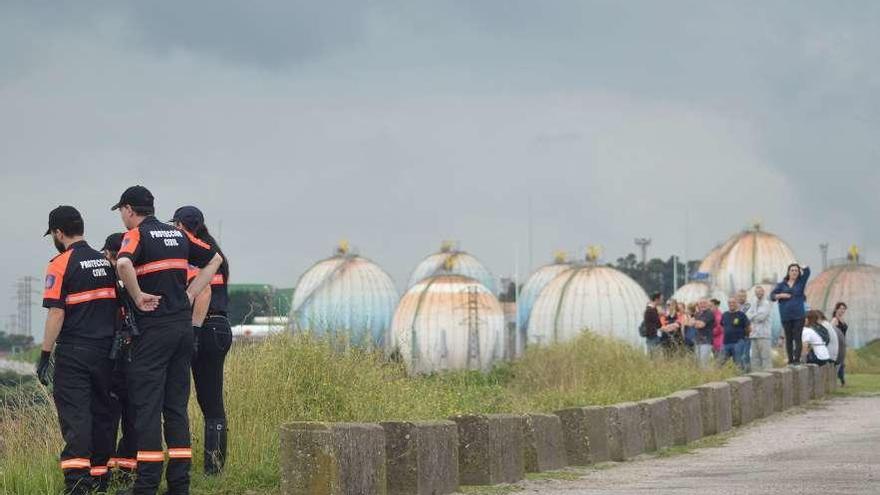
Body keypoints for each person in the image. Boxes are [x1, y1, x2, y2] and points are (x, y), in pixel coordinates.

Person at [112, 185, 223, 495]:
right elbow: (214, 259)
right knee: (175, 408)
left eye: (121, 211)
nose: (122, 217)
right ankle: (179, 485)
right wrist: (190, 292)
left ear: (129, 210)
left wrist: (137, 295)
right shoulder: (178, 235)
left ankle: (146, 485)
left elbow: (122, 264)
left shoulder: (136, 235)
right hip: (181, 330)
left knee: (146, 407)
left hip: (153, 331)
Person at [37, 206, 117, 495]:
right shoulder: (104, 262)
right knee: (102, 415)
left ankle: (78, 485)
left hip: (74, 352)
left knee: (76, 417)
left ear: (58, 233)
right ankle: (100, 479)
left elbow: (56, 314)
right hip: (106, 352)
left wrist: (45, 355)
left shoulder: (60, 264)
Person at [171, 206, 233, 475]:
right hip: (220, 327)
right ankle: (214, 468)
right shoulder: (215, 252)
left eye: (174, 225)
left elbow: (203, 291)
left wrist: (193, 332)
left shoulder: (194, 253)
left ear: (181, 225)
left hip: (203, 327)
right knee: (212, 403)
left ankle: (207, 469)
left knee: (178, 400)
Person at [100, 233, 138, 480]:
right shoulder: (137, 283)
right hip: (134, 358)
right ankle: (125, 469)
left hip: (115, 360)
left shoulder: (113, 285)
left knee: (110, 415)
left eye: (107, 255)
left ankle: (112, 469)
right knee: (132, 416)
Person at [771, 263, 811, 364]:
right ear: (788, 272)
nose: (794, 272)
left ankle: (797, 360)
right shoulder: (781, 285)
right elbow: (772, 296)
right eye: (792, 270)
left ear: (798, 273)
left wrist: (803, 266)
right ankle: (790, 360)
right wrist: (781, 295)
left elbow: (807, 272)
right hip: (786, 316)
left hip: (798, 315)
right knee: (788, 338)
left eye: (796, 270)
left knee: (797, 337)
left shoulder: (800, 283)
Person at [746, 286, 773, 371]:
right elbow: (747, 316)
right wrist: (754, 315)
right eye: (756, 292)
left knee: (765, 357)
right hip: (754, 334)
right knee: (754, 358)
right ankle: (756, 376)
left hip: (764, 335)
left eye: (760, 292)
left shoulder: (766, 303)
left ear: (763, 292)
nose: (758, 294)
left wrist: (753, 315)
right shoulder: (753, 303)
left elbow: (761, 317)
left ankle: (768, 375)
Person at [720, 297, 750, 370]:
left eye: (733, 302)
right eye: (729, 303)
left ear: (737, 304)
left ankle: (742, 379)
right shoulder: (724, 314)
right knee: (720, 363)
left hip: (738, 342)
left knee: (738, 363)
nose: (731, 304)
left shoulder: (741, 314)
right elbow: (722, 326)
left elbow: (748, 328)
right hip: (726, 343)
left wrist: (743, 338)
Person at [693, 299, 716, 368]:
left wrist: (694, 322)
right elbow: (690, 323)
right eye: (701, 303)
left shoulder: (709, 313)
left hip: (706, 341)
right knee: (698, 363)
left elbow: (701, 325)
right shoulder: (697, 314)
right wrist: (696, 323)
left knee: (704, 363)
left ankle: (709, 378)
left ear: (708, 304)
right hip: (697, 340)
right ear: (698, 305)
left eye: (704, 303)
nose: (703, 305)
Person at [831, 302, 849, 385]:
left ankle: (841, 380)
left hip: (842, 343)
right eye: (841, 308)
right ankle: (841, 380)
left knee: (841, 362)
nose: (842, 310)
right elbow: (831, 331)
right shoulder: (835, 320)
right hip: (837, 344)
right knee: (839, 362)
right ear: (836, 309)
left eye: (844, 309)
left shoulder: (842, 319)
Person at [736, 290, 752, 371]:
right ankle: (741, 372)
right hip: (737, 335)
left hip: (746, 334)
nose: (741, 298)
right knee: (738, 354)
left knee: (746, 355)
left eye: (743, 296)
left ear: (746, 297)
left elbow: (744, 318)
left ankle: (747, 373)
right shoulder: (735, 307)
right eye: (739, 296)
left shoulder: (748, 306)